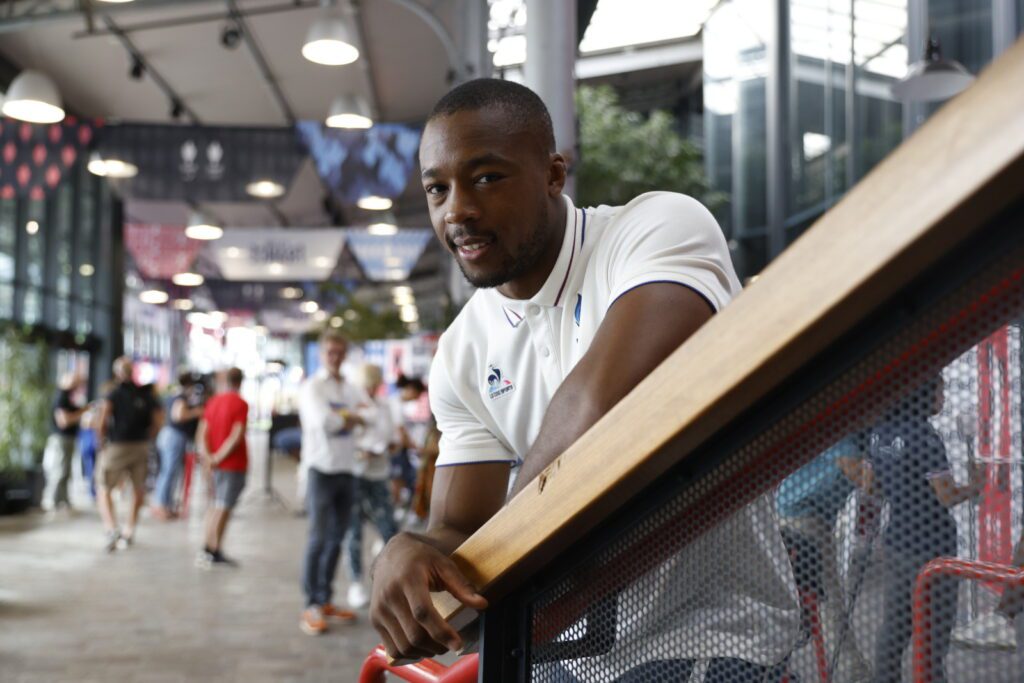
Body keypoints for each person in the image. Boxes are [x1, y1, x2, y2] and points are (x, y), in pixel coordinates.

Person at [369, 78, 800, 681]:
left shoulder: (656, 228)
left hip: (711, 638)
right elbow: (464, 529)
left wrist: (496, 568)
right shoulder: (463, 349)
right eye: (437, 189)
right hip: (563, 655)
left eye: (486, 177)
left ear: (553, 175)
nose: (457, 210)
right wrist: (407, 551)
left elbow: (595, 410)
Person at [839, 376, 985, 683]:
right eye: (940, 389)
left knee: (895, 626)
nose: (943, 396)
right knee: (934, 631)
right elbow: (945, 496)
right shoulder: (925, 436)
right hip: (931, 549)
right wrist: (975, 486)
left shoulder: (880, 432)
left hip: (896, 543)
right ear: (924, 394)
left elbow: (871, 486)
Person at [777, 436, 871, 681]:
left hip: (798, 516)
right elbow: (863, 478)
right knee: (828, 601)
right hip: (802, 519)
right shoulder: (844, 438)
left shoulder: (855, 439)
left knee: (809, 601)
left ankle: (777, 667)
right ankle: (853, 673)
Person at [297, 330, 370, 635]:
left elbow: (373, 414)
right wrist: (351, 417)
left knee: (337, 538)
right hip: (321, 470)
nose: (335, 357)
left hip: (347, 469)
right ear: (321, 354)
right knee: (318, 538)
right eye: (330, 352)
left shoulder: (350, 387)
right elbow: (324, 422)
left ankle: (325, 599)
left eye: (340, 352)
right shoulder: (313, 387)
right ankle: (311, 605)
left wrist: (347, 416)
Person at [344, 363, 399, 609]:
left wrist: (389, 447)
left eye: (374, 383)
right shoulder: (352, 407)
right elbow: (345, 439)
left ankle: (393, 582)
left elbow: (394, 438)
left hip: (379, 474)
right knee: (353, 530)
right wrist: (361, 452)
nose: (371, 388)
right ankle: (355, 583)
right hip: (356, 473)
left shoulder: (385, 406)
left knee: (389, 528)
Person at [95, 356, 163, 552]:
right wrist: (148, 437)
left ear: (117, 373)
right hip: (141, 445)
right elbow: (158, 420)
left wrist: (102, 443)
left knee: (103, 486)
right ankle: (129, 530)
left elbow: (103, 419)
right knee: (138, 489)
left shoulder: (114, 393)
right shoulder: (146, 394)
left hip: (118, 445)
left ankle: (111, 528)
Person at [195, 368, 248, 568]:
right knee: (224, 506)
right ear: (240, 382)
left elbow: (203, 432)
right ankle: (213, 549)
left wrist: (208, 457)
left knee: (215, 505)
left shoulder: (213, 402)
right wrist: (217, 457)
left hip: (215, 464)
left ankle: (208, 547)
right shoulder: (240, 404)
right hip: (232, 464)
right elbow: (237, 434)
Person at [152, 371, 205, 520]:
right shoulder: (181, 397)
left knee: (169, 472)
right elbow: (179, 415)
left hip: (168, 435)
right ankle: (161, 505)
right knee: (169, 472)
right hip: (174, 437)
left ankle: (165, 504)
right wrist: (197, 412)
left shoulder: (172, 395)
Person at [43, 372, 87, 512]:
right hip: (60, 439)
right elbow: (64, 422)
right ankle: (54, 500)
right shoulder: (61, 397)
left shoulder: (68, 397)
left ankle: (63, 500)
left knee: (66, 471)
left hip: (68, 439)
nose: (76, 385)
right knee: (59, 470)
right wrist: (81, 413)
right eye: (74, 381)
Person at [390, 375, 426, 509]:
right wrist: (416, 448)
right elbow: (401, 432)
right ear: (411, 389)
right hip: (396, 450)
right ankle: (395, 508)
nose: (417, 399)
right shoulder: (395, 404)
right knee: (398, 480)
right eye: (417, 394)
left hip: (400, 450)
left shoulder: (399, 404)